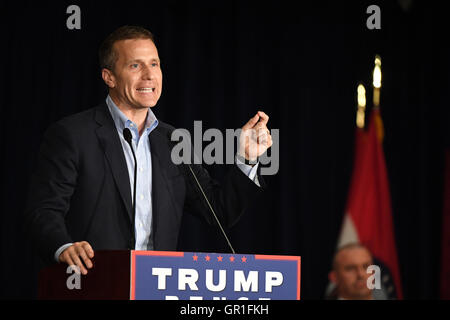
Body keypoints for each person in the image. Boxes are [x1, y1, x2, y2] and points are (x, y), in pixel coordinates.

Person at [25, 25, 272, 275]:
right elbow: (44, 211)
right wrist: (64, 246)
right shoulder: (72, 134)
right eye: (135, 65)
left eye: (154, 64)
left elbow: (219, 212)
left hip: (157, 285)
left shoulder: (174, 141)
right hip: (94, 280)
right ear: (109, 77)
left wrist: (248, 158)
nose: (149, 75)